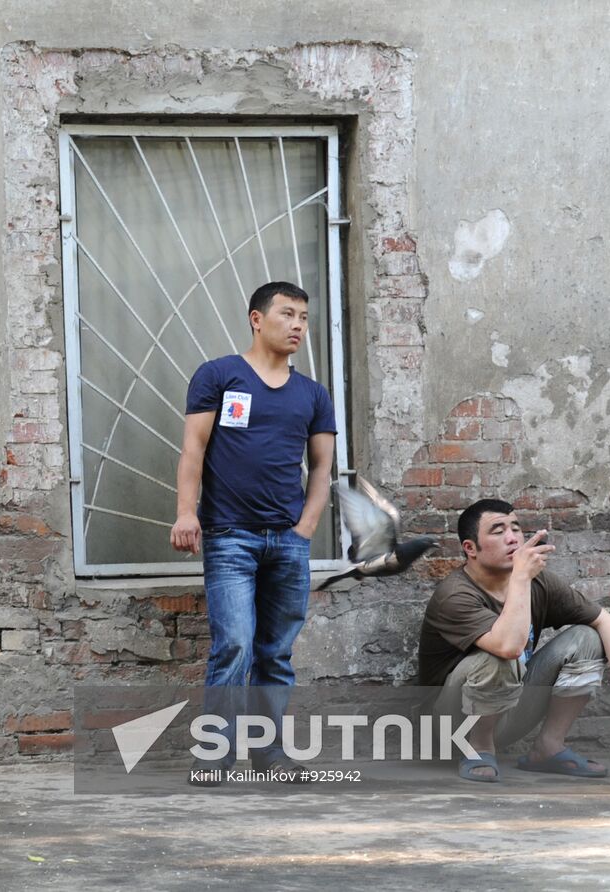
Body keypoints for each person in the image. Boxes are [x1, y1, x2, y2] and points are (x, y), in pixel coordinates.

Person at [171, 281, 337, 783]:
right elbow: (193, 450)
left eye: (304, 318)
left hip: (288, 541)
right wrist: (186, 513)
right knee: (235, 645)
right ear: (256, 319)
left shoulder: (313, 393)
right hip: (229, 538)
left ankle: (269, 756)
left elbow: (323, 468)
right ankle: (214, 759)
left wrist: (306, 527)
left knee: (276, 654)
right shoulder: (219, 376)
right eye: (287, 314)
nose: (298, 326)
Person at [419, 498, 610, 782]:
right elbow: (508, 647)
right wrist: (520, 579)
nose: (512, 537)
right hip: (450, 724)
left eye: (516, 528)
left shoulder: (537, 582)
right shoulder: (455, 595)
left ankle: (548, 747)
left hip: (507, 711)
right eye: (497, 531)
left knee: (587, 637)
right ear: (470, 549)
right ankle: (478, 748)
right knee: (498, 654)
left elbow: (604, 621)